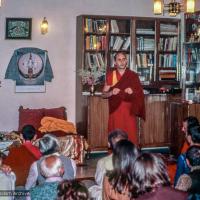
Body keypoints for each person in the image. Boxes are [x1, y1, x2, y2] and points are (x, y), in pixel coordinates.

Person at [102, 52, 145, 144]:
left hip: (129, 111)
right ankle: (116, 155)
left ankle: (132, 155)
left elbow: (140, 93)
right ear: (115, 62)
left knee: (130, 135)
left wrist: (132, 91)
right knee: (116, 136)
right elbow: (103, 94)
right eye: (119, 59)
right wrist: (111, 92)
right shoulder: (111, 75)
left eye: (123, 59)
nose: (121, 62)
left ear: (126, 61)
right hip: (115, 111)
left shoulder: (133, 75)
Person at [89, 129, 128, 200]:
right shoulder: (135, 159)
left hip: (109, 194)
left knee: (90, 187)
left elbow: (99, 181)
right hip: (128, 193)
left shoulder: (102, 162)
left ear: (109, 144)